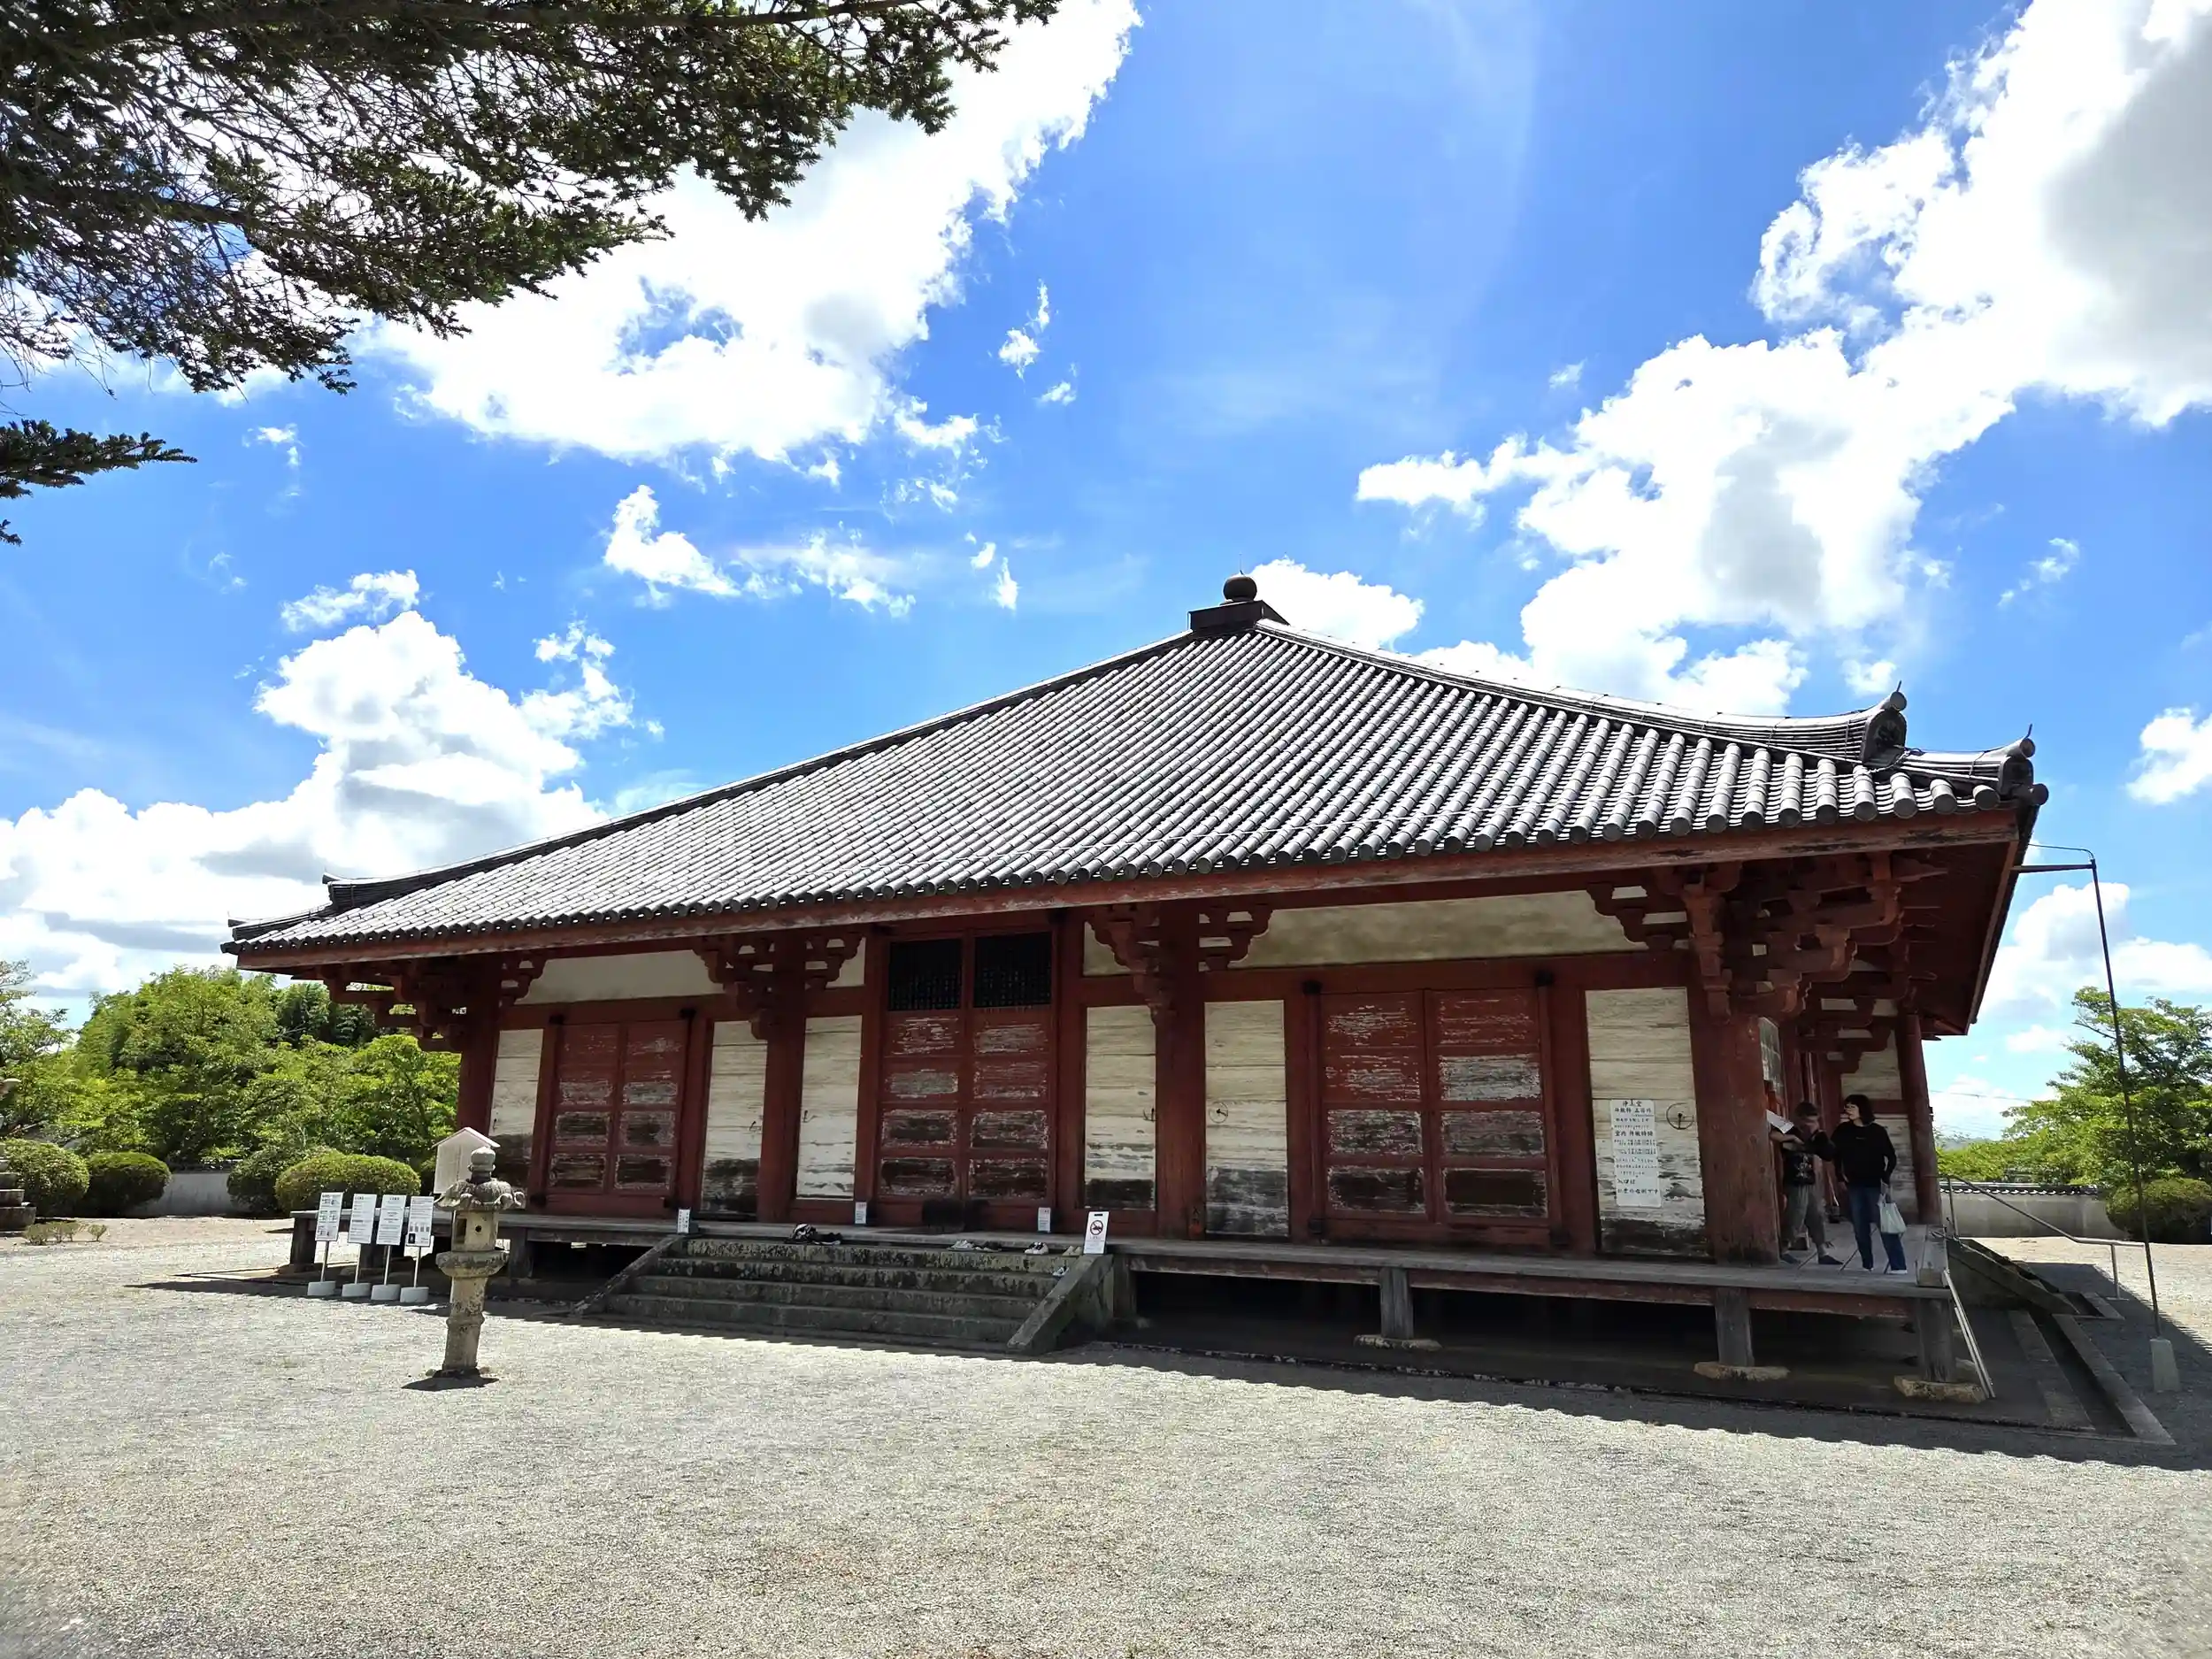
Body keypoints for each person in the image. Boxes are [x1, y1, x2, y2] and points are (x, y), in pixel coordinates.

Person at [1832, 1094, 1907, 1272]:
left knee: (1886, 1225)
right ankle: (1867, 1264)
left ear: (1862, 1109)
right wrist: (1840, 1176)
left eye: (1852, 1107)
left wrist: (1885, 1177)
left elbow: (1891, 1157)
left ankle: (1898, 1266)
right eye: (1847, 1107)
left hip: (1875, 1185)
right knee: (1860, 1227)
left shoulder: (1877, 1131)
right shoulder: (1843, 1130)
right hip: (1854, 1185)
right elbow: (1834, 1154)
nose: (1848, 1110)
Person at [1773, 1102, 1842, 1265]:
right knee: (1796, 1214)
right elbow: (1773, 1135)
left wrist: (1821, 1137)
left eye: (1814, 1121)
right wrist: (1792, 1138)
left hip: (1810, 1180)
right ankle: (1784, 1249)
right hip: (1795, 1180)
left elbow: (1828, 1154)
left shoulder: (1816, 1135)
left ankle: (1822, 1251)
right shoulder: (1789, 1127)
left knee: (1816, 1215)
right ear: (1800, 1119)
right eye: (1809, 1121)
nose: (1811, 1124)